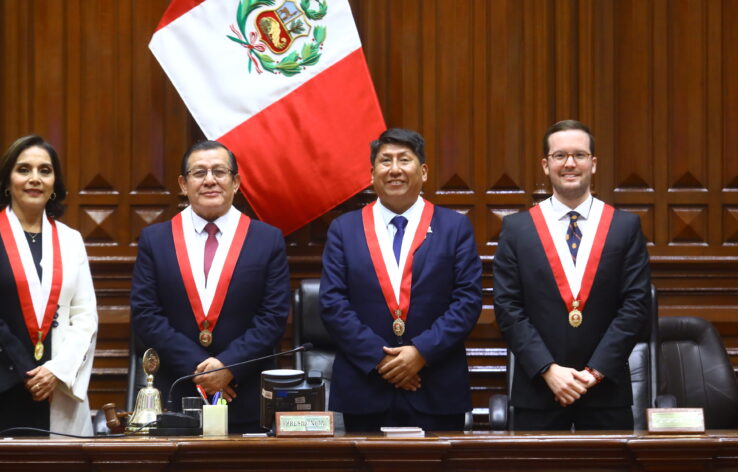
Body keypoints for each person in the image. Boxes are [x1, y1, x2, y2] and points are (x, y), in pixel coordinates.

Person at [319, 128, 483, 432]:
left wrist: (420, 353)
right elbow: (332, 303)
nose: (394, 169)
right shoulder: (344, 229)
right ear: (372, 174)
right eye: (385, 161)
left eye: (404, 160)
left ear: (422, 171)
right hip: (365, 387)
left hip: (435, 387)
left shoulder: (454, 227)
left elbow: (467, 302)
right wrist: (382, 360)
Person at [493, 119, 651, 430]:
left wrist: (594, 372)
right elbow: (508, 308)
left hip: (606, 393)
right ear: (545, 164)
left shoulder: (625, 227)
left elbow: (635, 305)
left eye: (579, 155)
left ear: (593, 164)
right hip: (539, 392)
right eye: (559, 155)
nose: (569, 163)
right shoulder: (517, 229)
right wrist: (549, 370)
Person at [131, 140, 290, 433]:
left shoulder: (267, 240)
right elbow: (146, 314)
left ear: (236, 182)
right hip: (178, 396)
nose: (210, 180)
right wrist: (202, 370)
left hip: (245, 396)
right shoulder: (156, 239)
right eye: (199, 172)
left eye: (219, 171)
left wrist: (229, 367)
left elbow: (273, 317)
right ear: (183, 183)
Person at [0, 135, 98, 437]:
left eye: (45, 170)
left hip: (56, 385)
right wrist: (28, 372)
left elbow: (85, 316)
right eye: (24, 169)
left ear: (55, 183)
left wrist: (56, 371)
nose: (35, 179)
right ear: (7, 180)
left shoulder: (71, 240)